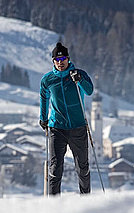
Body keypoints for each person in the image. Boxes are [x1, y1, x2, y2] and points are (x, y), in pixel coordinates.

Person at [39, 42, 94, 195]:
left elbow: (89, 91)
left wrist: (80, 80)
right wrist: (43, 118)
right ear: (53, 61)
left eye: (63, 59)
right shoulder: (48, 79)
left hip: (78, 126)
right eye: (57, 60)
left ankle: (86, 198)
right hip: (57, 128)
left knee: (82, 167)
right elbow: (44, 98)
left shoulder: (78, 74)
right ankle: (54, 203)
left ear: (68, 59)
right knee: (55, 168)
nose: (60, 62)